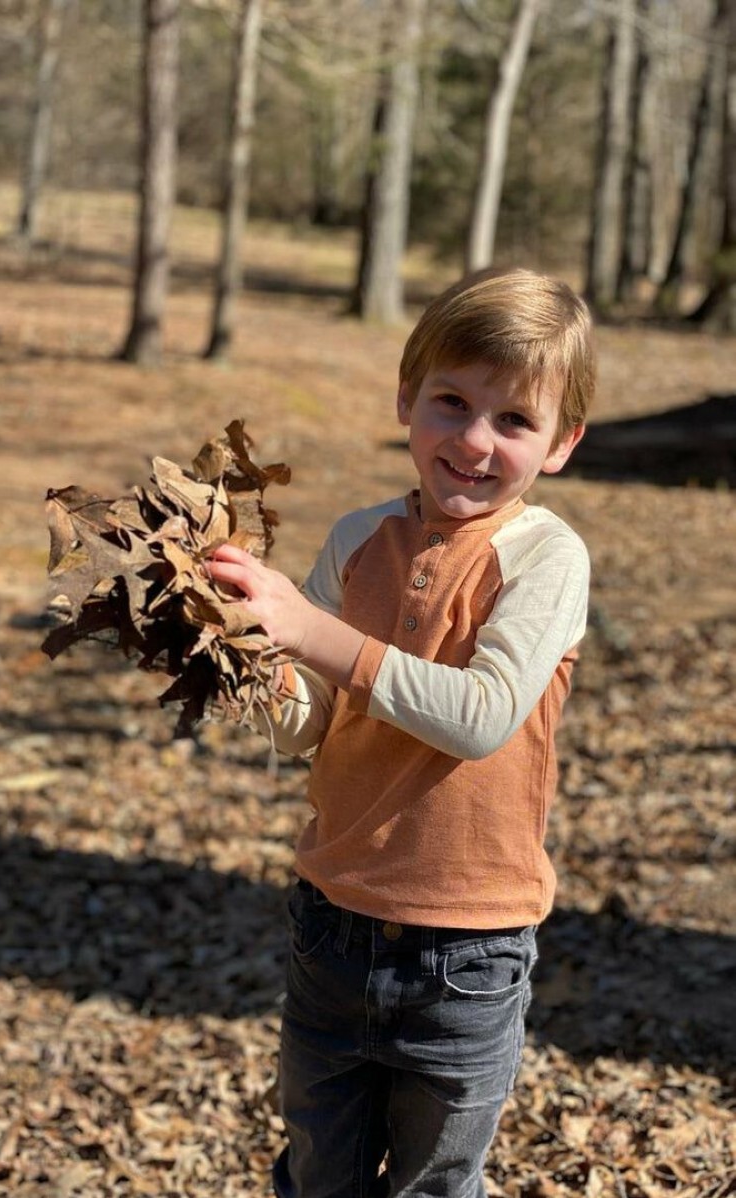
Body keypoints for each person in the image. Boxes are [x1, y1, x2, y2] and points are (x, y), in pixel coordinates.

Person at [207, 267, 595, 1198]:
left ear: (562, 444)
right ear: (404, 398)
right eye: (450, 402)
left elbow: (481, 717)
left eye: (513, 422)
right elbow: (309, 724)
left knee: (429, 1186)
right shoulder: (356, 538)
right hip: (332, 919)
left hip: (467, 946)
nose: (472, 440)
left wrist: (313, 632)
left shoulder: (544, 557)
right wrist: (247, 658)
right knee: (317, 1172)